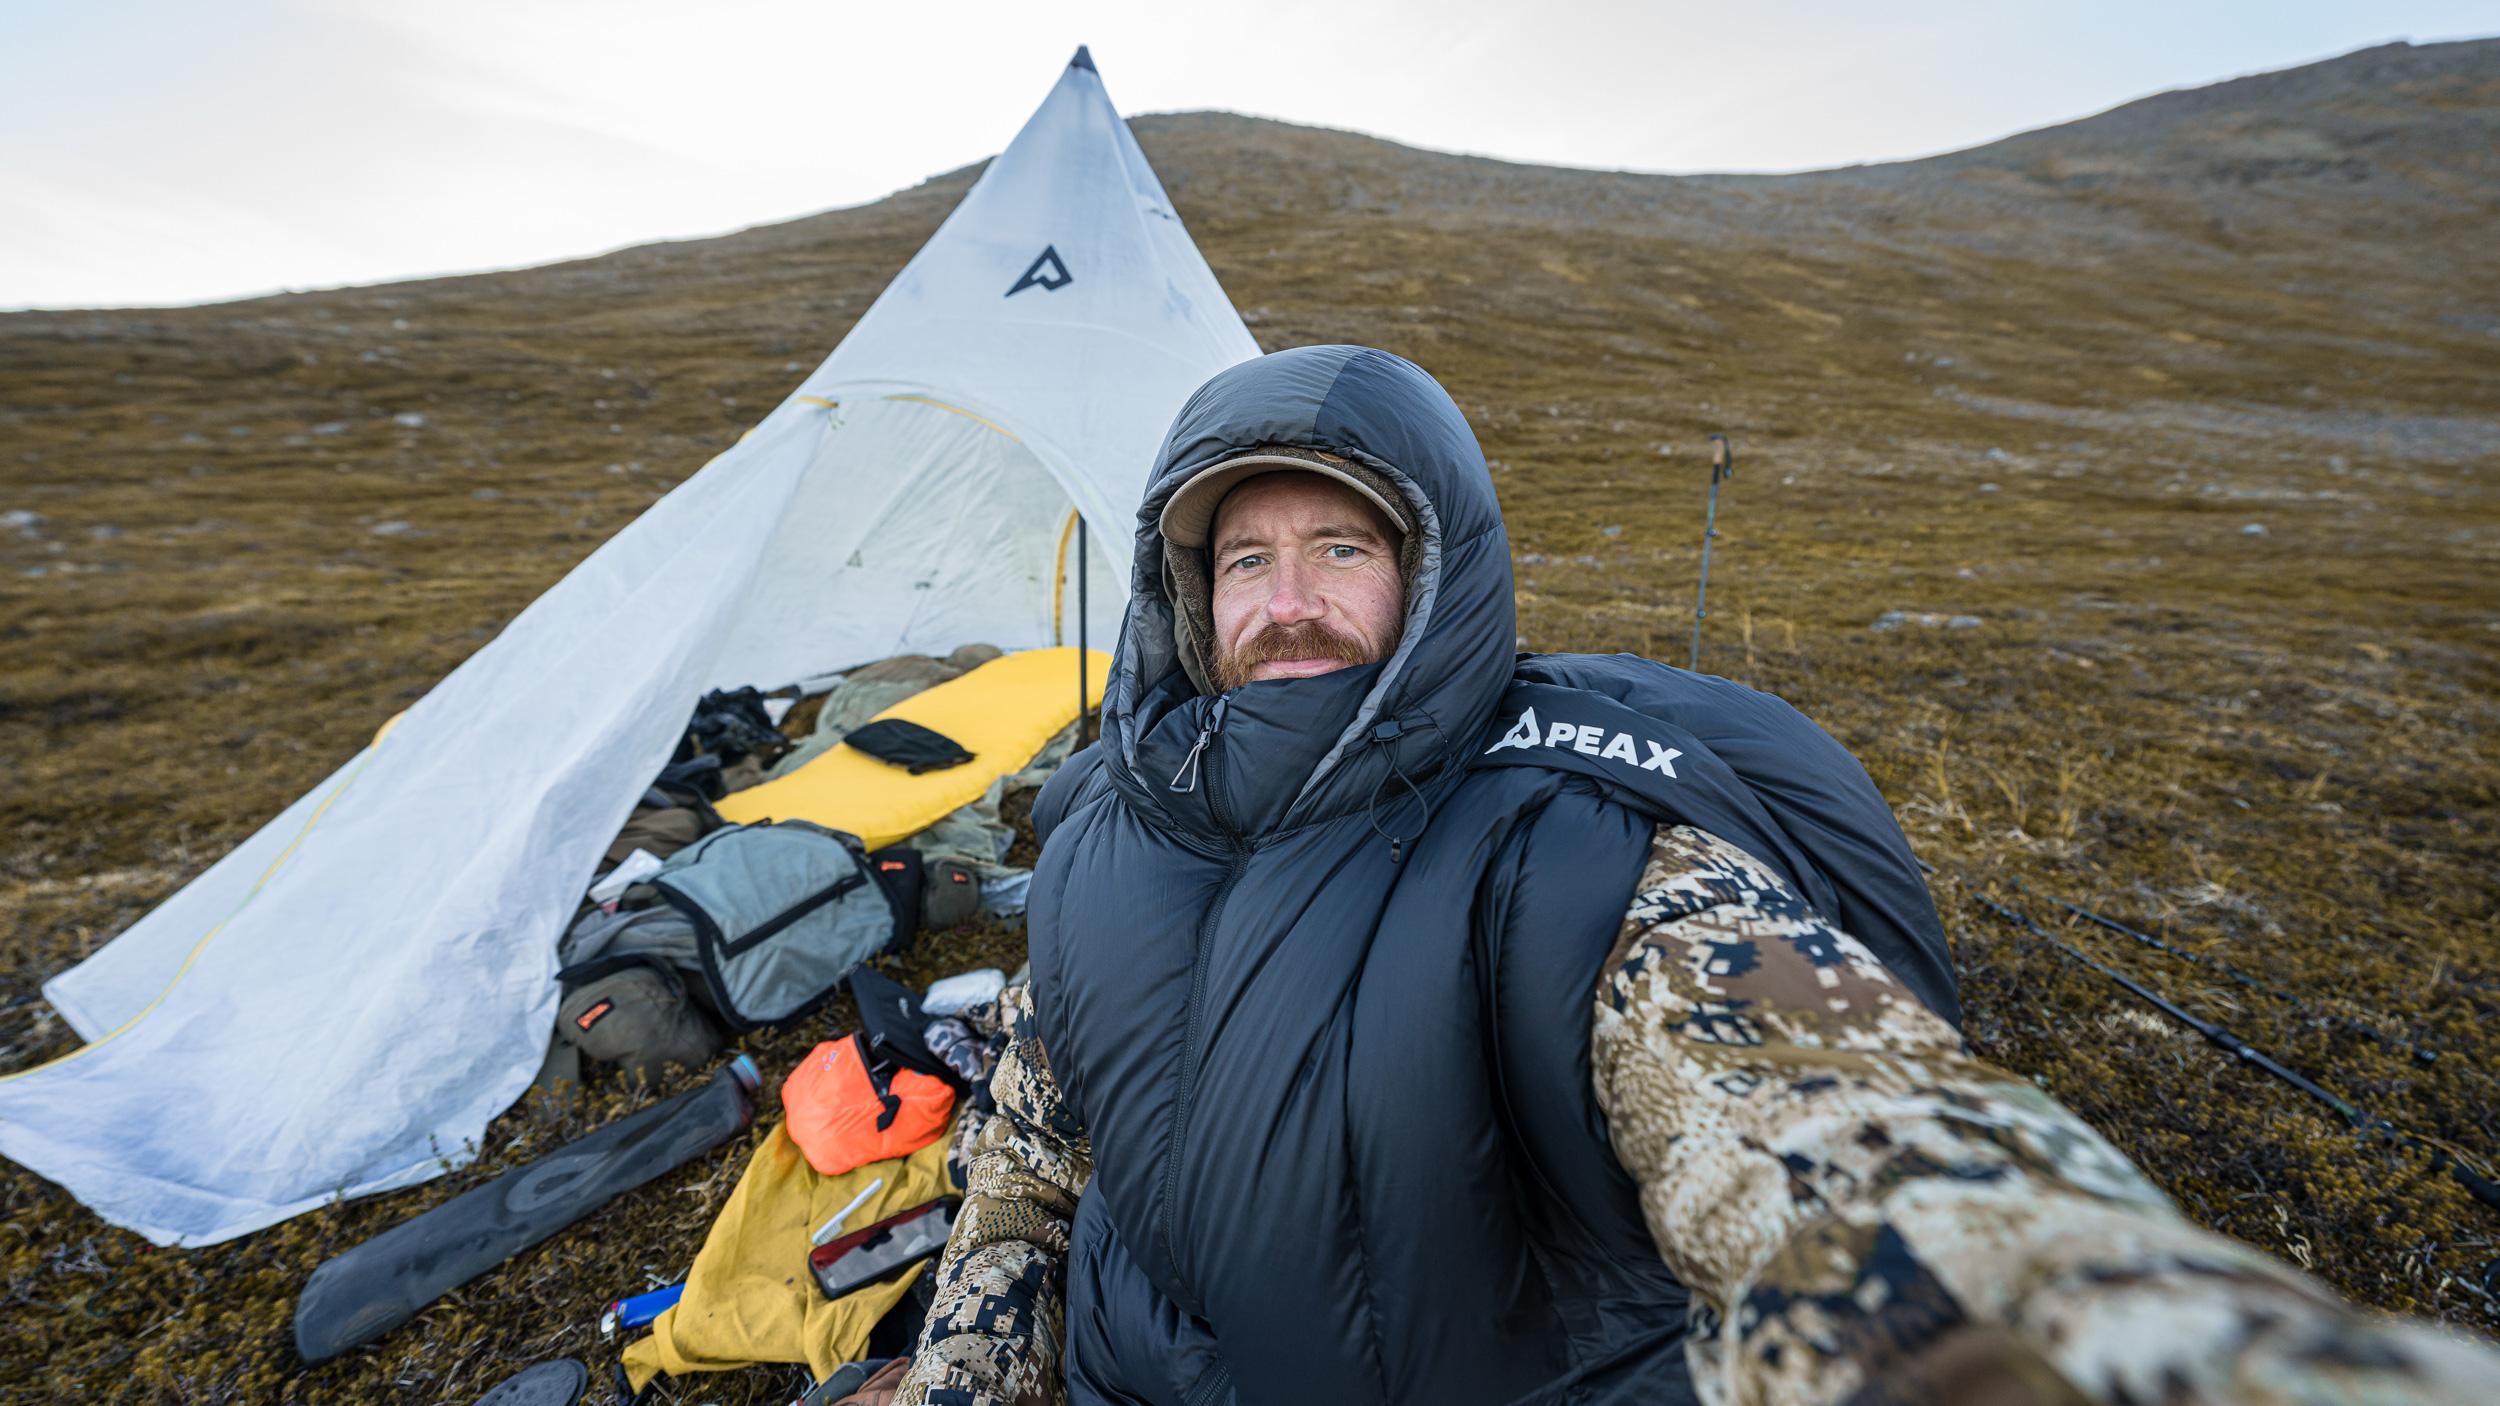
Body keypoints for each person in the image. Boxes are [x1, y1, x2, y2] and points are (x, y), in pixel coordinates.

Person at [892, 346, 2498, 1405]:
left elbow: (1820, 1132)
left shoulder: (1577, 845)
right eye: (1246, 557)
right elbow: (1031, 1163)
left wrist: (2090, 1338)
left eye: (1343, 549)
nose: (1287, 600)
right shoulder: (1110, 832)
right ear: (1189, 596)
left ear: (1435, 577)